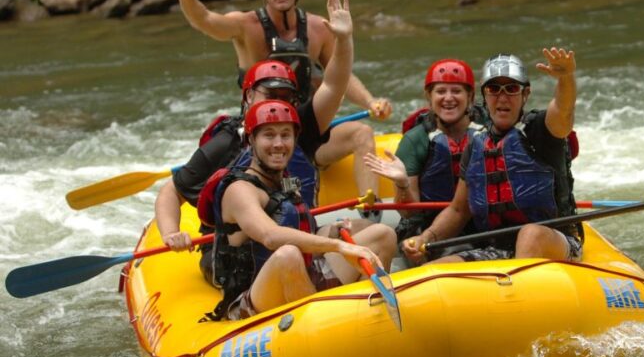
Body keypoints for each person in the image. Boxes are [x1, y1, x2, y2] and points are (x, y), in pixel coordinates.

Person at [162, 0, 390, 213]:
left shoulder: (319, 28)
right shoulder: (245, 25)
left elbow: (338, 77)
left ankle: (371, 212)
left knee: (362, 133)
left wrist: (370, 100)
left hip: (305, 130)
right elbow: (205, 20)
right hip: (261, 134)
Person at [155, 0, 355, 276]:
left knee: (374, 234)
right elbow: (172, 190)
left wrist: (344, 39)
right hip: (239, 256)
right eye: (271, 93)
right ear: (248, 96)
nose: (279, 102)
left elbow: (335, 84)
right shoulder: (228, 140)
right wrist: (172, 232)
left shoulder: (299, 128)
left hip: (294, 236)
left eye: (286, 95)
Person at [199, 99, 397, 320]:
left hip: (304, 276)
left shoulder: (286, 181)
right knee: (288, 255)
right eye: (269, 135)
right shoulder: (239, 190)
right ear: (251, 140)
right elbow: (271, 237)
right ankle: (322, 325)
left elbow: (304, 234)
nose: (278, 144)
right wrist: (338, 245)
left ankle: (369, 317)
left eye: (286, 135)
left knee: (383, 235)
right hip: (255, 295)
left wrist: (331, 232)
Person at [402, 50, 583, 265]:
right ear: (484, 96)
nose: (502, 97)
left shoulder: (541, 130)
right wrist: (425, 238)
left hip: (555, 240)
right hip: (497, 248)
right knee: (436, 269)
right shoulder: (477, 144)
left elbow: (563, 110)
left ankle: (522, 290)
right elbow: (458, 210)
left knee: (530, 234)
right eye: (494, 89)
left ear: (525, 94)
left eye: (512, 89)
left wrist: (565, 77)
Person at [363, 59, 483, 246]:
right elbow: (408, 212)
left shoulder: (490, 133)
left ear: (471, 96)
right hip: (428, 226)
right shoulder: (415, 140)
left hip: (482, 224)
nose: (448, 98)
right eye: (441, 91)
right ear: (429, 97)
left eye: (457, 91)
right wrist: (402, 184)